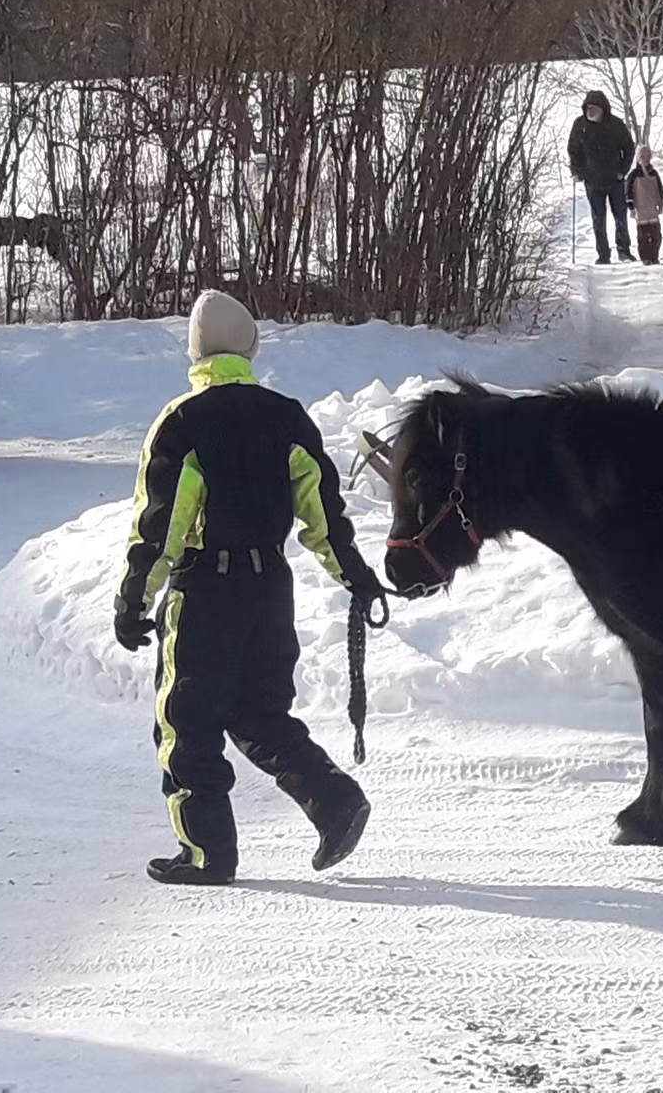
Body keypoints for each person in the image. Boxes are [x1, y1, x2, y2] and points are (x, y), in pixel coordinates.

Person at [114, 290, 388, 886]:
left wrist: (134, 599)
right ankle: (335, 802)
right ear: (250, 347)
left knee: (187, 722)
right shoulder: (287, 416)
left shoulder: (181, 422)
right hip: (270, 588)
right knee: (259, 713)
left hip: (205, 592)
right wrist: (358, 580)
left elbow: (160, 526)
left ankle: (207, 854)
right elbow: (325, 518)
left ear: (195, 353)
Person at [567, 90, 636, 264]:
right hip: (592, 180)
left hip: (615, 179)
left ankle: (624, 250)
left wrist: (623, 170)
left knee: (620, 215)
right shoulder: (580, 125)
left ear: (602, 109)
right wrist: (577, 171)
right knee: (598, 218)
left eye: (593, 108)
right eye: (587, 108)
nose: (589, 112)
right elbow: (573, 151)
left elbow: (629, 147)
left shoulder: (616, 125)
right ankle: (603, 254)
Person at [625, 144, 663, 266]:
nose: (646, 158)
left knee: (656, 235)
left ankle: (654, 256)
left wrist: (661, 203)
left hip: (653, 210)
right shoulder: (633, 175)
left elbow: (659, 189)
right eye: (642, 156)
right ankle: (645, 257)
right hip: (641, 211)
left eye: (648, 156)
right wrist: (631, 208)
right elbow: (628, 192)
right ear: (638, 158)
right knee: (643, 237)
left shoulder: (654, 173)